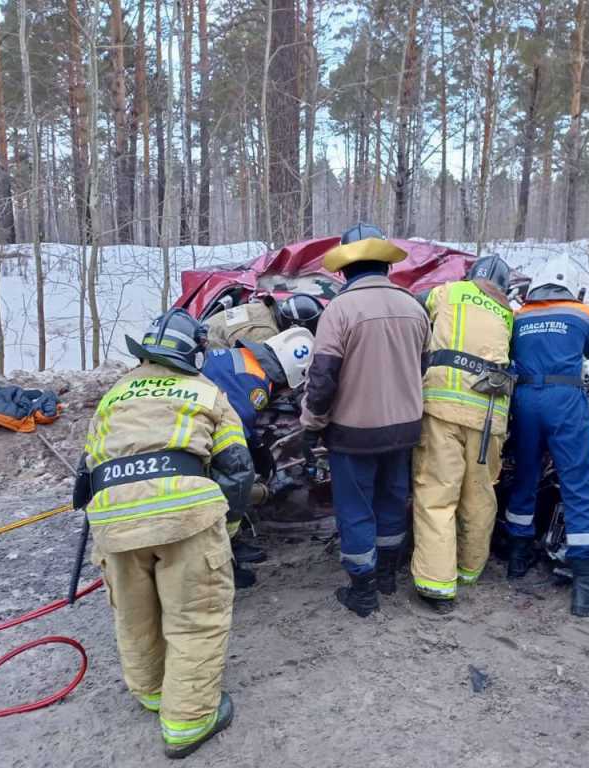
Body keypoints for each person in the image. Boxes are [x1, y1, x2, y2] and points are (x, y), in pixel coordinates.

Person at [73, 309, 254, 758]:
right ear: (194, 352)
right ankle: (189, 722)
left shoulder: (114, 395)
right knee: (195, 618)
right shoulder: (206, 392)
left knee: (133, 615)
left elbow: (84, 475)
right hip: (186, 519)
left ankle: (153, 693)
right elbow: (236, 469)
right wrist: (227, 526)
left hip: (114, 522)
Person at [301, 223, 430, 618]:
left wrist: (312, 421)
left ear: (344, 270)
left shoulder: (339, 310)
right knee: (393, 500)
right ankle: (388, 576)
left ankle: (363, 591)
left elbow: (322, 378)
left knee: (356, 509)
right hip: (406, 428)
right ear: (385, 266)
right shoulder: (414, 307)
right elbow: (422, 367)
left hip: (353, 433)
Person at [503, 256, 589, 617]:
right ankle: (587, 590)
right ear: (573, 287)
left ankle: (517, 559)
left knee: (525, 477)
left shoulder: (519, 316)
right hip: (565, 400)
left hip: (526, 400)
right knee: (577, 485)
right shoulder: (580, 312)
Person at [410, 256, 514, 614]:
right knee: (480, 494)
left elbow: (413, 304)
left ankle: (437, 583)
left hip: (442, 409)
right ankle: (469, 569)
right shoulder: (508, 312)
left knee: (438, 493)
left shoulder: (449, 291)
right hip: (490, 418)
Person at [201, 327, 316, 586]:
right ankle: (225, 555)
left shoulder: (239, 357)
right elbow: (233, 436)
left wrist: (258, 447)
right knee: (229, 482)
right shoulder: (257, 382)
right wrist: (255, 460)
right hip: (201, 444)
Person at [204, 293, 324, 350]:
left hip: (208, 334)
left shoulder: (265, 310)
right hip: (206, 348)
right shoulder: (265, 333)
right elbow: (251, 370)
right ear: (294, 327)